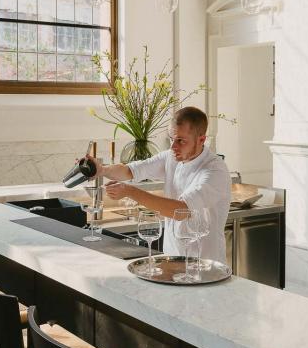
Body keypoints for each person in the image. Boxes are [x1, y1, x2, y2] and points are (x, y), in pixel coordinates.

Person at [94, 106, 231, 262]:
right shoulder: (171, 157)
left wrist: (130, 191)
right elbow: (130, 170)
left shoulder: (214, 170)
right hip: (172, 260)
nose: (173, 146)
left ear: (201, 140)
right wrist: (101, 170)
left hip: (205, 265)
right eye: (171, 139)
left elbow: (181, 210)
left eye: (181, 140)